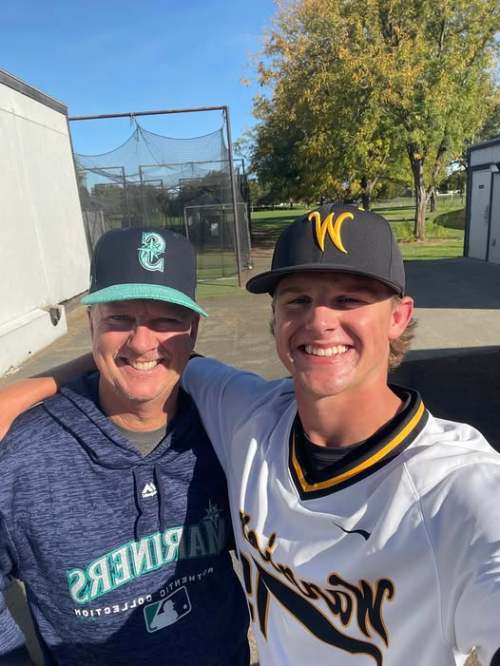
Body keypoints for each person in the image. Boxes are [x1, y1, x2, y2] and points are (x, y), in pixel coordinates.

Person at [2, 204, 500, 665]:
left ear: (399, 316)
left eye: (348, 299)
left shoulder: (457, 488)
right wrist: (37, 388)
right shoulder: (247, 414)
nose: (319, 321)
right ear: (276, 318)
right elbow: (147, 355)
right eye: (298, 300)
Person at [0, 228, 250, 665]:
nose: (141, 342)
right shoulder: (25, 456)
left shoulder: (224, 430)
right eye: (119, 319)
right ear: (91, 323)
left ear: (193, 331)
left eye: (166, 320)